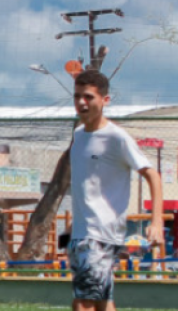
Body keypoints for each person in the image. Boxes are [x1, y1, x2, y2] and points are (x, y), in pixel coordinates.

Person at [67, 70, 163, 311]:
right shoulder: (78, 135)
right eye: (77, 96)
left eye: (88, 97)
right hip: (81, 232)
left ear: (104, 100)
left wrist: (157, 220)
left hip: (99, 232)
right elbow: (86, 183)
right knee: (100, 302)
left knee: (84, 304)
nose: (81, 102)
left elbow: (152, 174)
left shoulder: (117, 137)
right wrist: (72, 226)